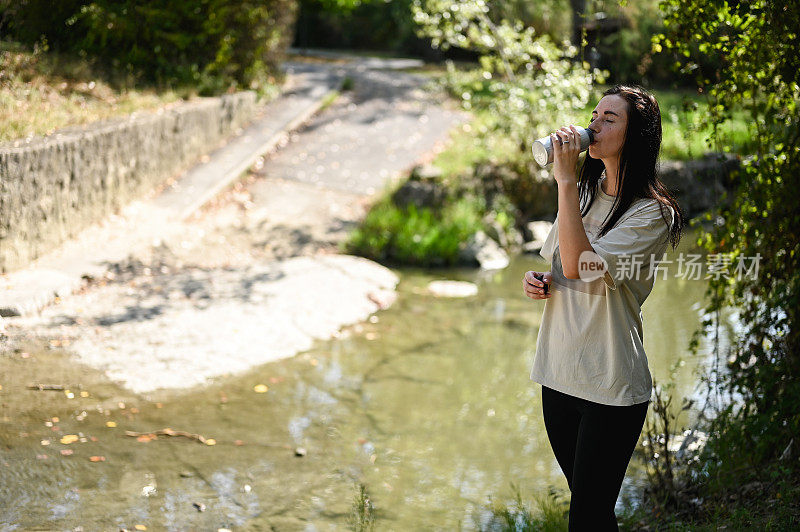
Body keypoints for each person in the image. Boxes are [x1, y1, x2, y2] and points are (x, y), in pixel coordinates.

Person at [521, 84, 686, 530]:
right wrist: (539, 282)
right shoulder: (586, 193)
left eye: (610, 118)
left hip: (610, 386)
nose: (594, 124)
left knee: (586, 516)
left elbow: (580, 266)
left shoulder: (653, 213)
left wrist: (565, 178)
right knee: (591, 512)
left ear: (637, 136)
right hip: (557, 374)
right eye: (595, 115)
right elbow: (561, 267)